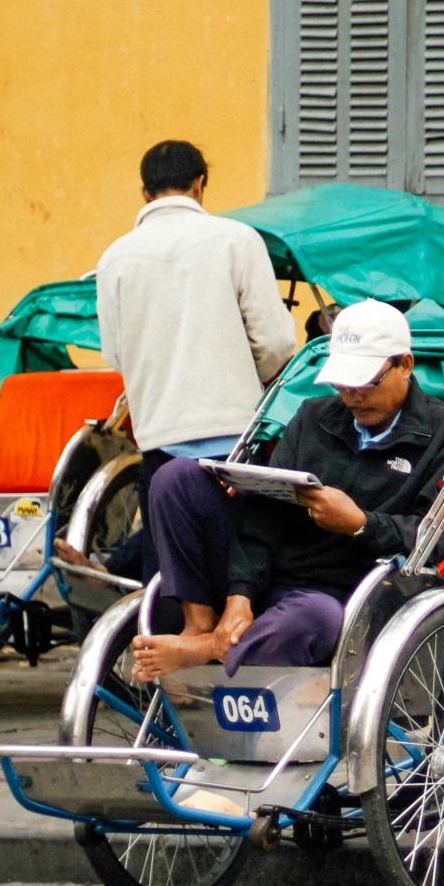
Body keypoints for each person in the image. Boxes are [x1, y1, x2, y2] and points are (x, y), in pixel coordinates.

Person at [131, 301, 444, 679]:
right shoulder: (314, 416)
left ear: (405, 365)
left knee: (314, 618)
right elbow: (265, 513)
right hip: (269, 569)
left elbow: (435, 538)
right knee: (176, 477)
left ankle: (212, 648)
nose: (353, 395)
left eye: (365, 382)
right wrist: (239, 595)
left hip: (342, 594)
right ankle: (199, 626)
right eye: (343, 382)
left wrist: (360, 524)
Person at [92, 141, 299, 578]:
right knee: (240, 576)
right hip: (236, 446)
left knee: (170, 580)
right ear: (200, 184)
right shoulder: (237, 240)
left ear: (145, 193)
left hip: (160, 447)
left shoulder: (114, 258)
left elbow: (115, 354)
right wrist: (250, 378)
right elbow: (278, 343)